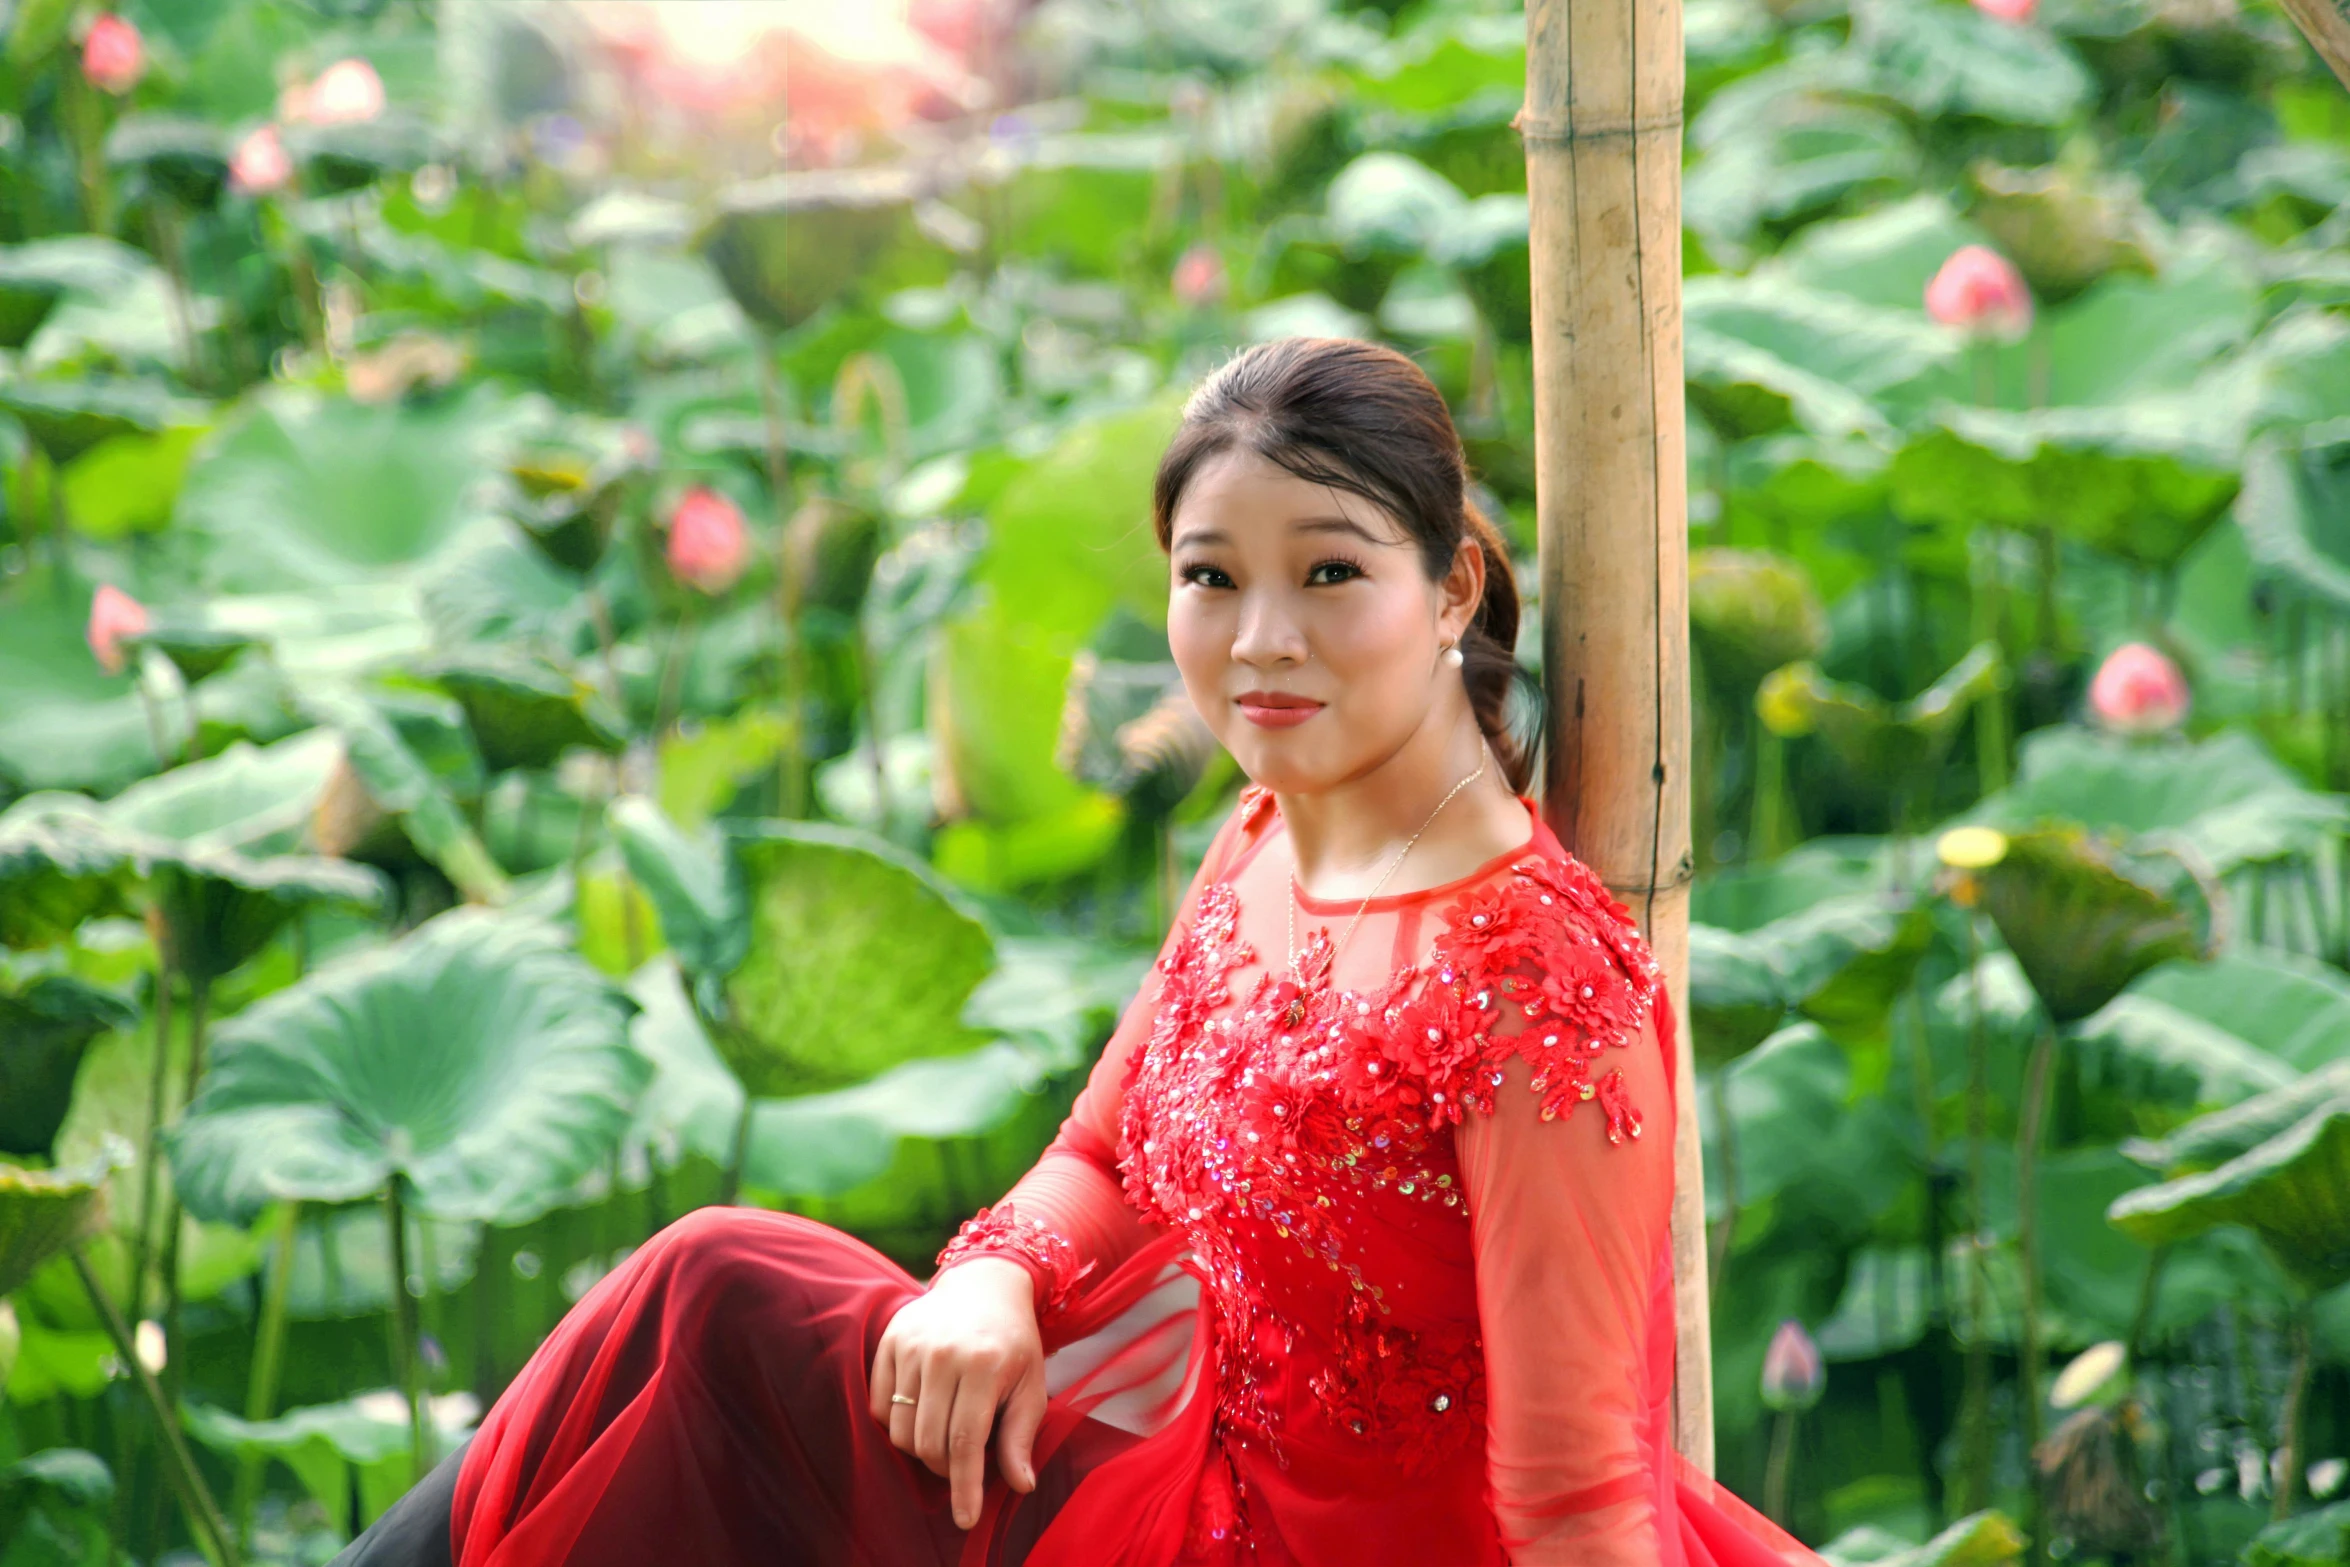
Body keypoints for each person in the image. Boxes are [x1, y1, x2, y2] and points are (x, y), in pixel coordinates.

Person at [338, 337, 1819, 1567]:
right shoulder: (1261, 838)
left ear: (1450, 589)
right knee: (713, 1287)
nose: (1258, 642)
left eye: (1326, 574)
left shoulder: (1531, 978)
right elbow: (1099, 1152)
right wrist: (995, 1283)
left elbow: (1572, 1506)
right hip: (1170, 1502)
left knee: (712, 1325)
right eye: (1209, 576)